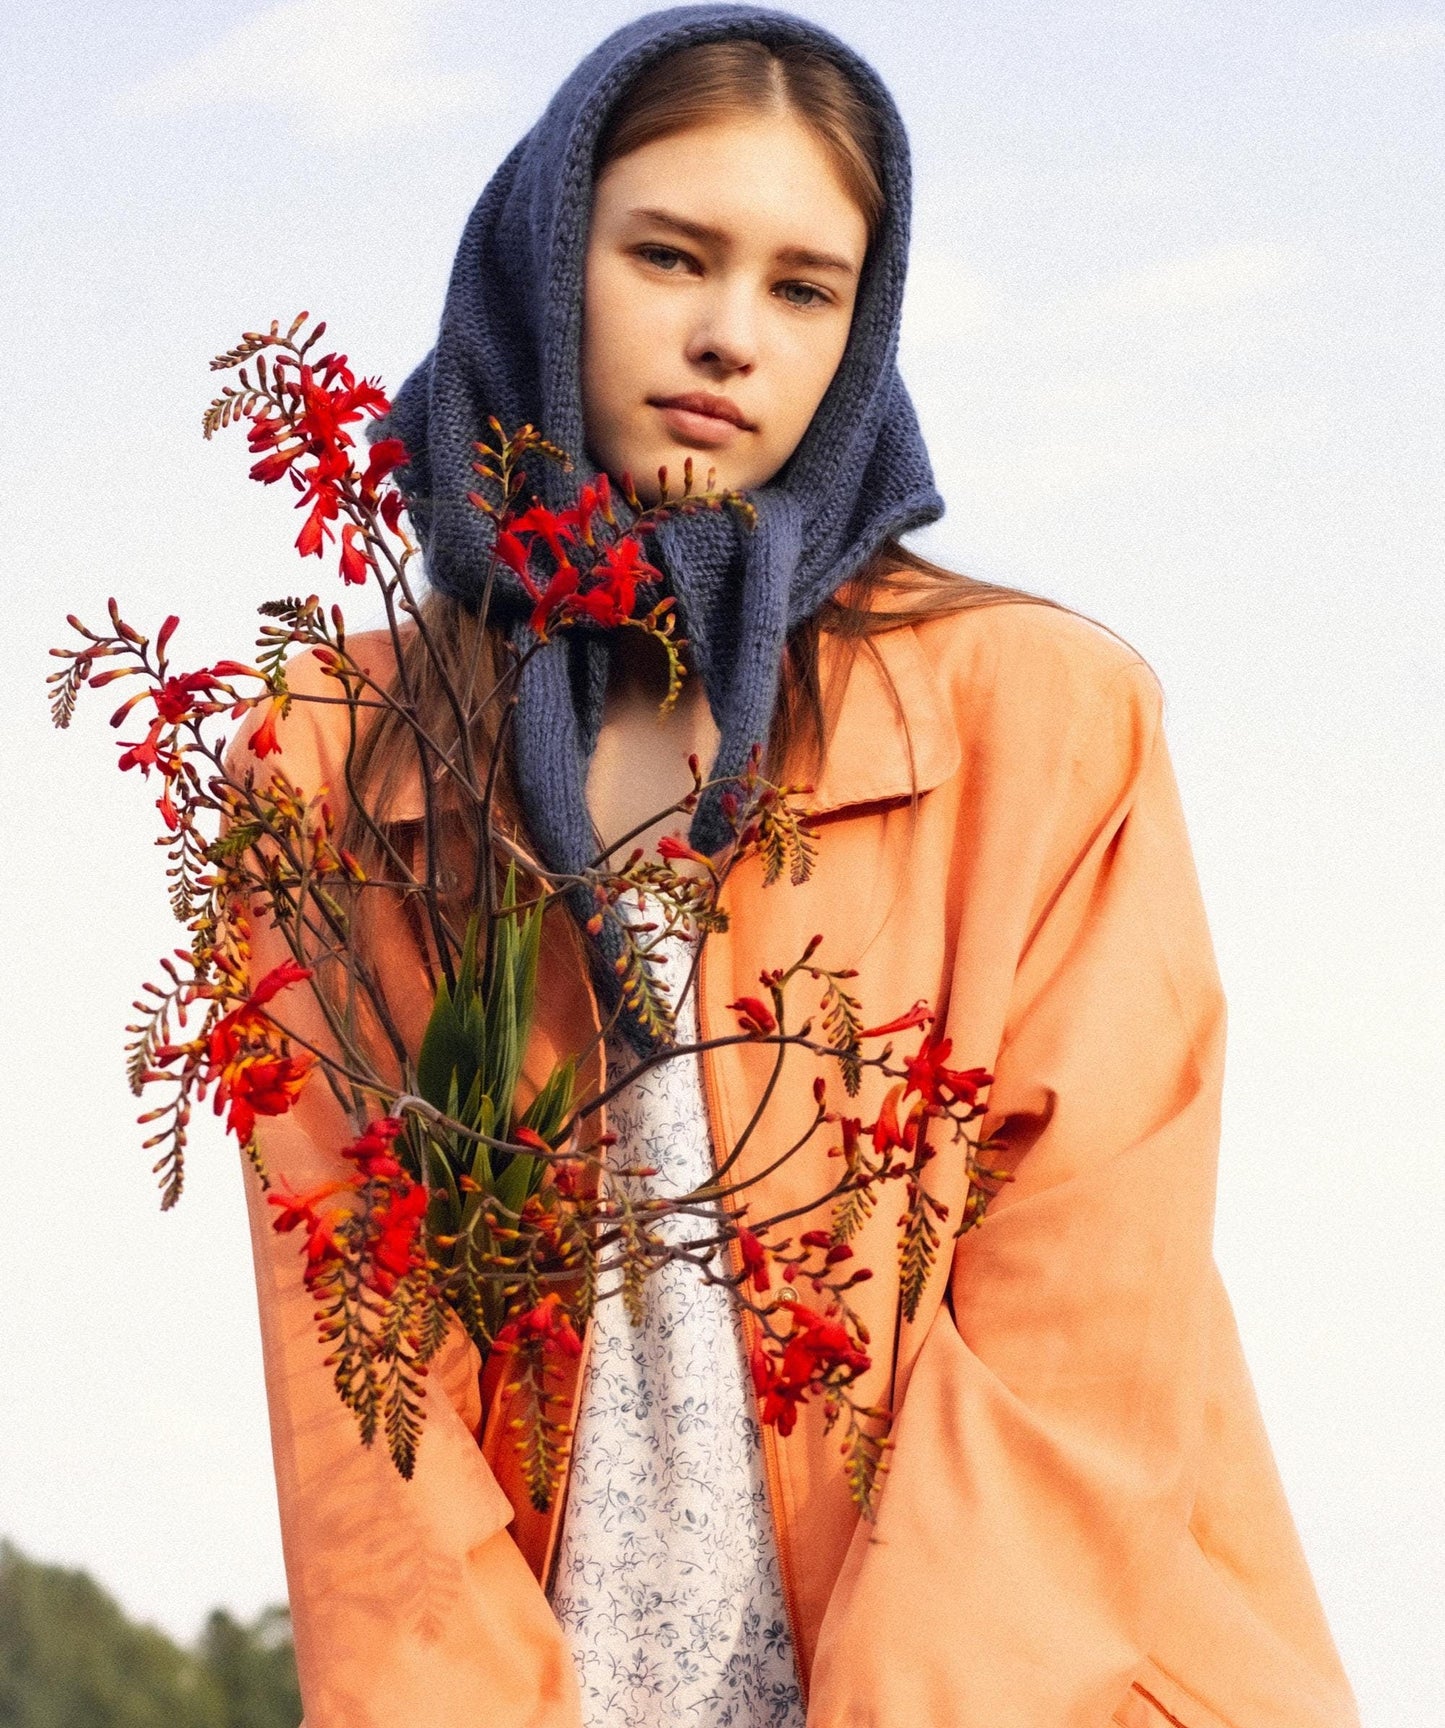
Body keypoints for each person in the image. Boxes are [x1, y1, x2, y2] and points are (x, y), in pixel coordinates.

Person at [231, 8, 1361, 1726]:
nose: (728, 335)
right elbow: (351, 1359)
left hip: (1017, 1679)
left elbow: (1078, 1317)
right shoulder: (333, 757)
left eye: (803, 288)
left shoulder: (1041, 715)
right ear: (545, 256)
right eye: (667, 255)